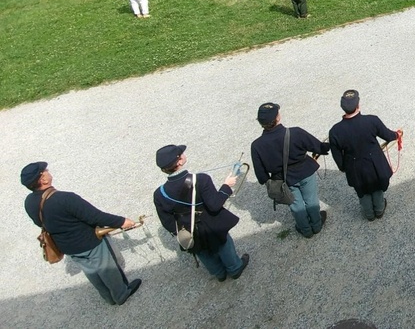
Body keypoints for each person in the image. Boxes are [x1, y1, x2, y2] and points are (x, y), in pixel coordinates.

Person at [21, 162, 142, 305]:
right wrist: (122, 221)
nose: (48, 171)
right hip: (89, 241)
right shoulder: (65, 198)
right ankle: (121, 294)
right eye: (45, 171)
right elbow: (95, 216)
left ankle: (108, 298)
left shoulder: (29, 201)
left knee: (91, 272)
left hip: (67, 246)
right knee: (107, 269)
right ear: (43, 180)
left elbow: (39, 222)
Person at [152, 145, 249, 282]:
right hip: (210, 222)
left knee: (201, 251)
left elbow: (167, 221)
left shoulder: (159, 193)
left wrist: (180, 231)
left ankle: (219, 273)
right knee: (223, 244)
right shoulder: (201, 179)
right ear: (179, 161)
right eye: (181, 153)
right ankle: (234, 268)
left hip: (187, 228)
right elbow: (214, 205)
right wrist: (227, 186)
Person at [250, 102, 329, 237]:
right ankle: (316, 224)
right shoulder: (296, 132)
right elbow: (319, 147)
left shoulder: (256, 145)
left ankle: (305, 230)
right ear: (278, 118)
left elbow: (261, 176)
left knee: (296, 205)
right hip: (305, 172)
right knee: (311, 199)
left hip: (283, 180)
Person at [328, 90, 402, 221]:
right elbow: (388, 135)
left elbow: (337, 156)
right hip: (374, 163)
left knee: (361, 190)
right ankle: (379, 210)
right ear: (358, 105)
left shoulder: (335, 131)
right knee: (377, 186)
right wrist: (397, 135)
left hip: (354, 166)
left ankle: (369, 214)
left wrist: (343, 167)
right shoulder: (372, 120)